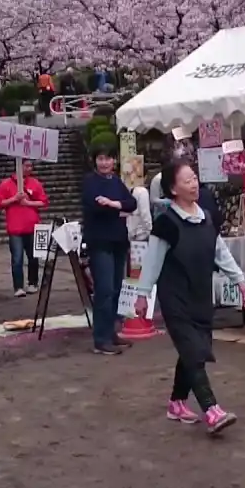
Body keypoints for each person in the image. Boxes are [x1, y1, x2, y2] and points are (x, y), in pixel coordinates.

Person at [136, 161, 245, 435]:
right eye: (186, 180)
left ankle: (176, 402)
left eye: (194, 178)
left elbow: (219, 251)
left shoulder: (207, 217)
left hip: (201, 296)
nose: (194, 183)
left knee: (193, 351)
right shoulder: (166, 224)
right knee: (193, 351)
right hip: (175, 298)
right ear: (173, 190)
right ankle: (211, 410)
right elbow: (151, 262)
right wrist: (142, 295)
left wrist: (239, 279)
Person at [81, 144, 138, 355]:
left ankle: (112, 331)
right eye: (101, 159)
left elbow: (131, 203)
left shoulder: (116, 182)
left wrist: (114, 204)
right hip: (100, 242)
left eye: (108, 159)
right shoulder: (90, 182)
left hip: (118, 241)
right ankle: (101, 338)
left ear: (114, 161)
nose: (105, 163)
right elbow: (95, 204)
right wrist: (117, 205)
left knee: (115, 289)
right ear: (95, 161)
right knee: (104, 290)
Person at [0, 160, 49, 297]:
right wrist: (14, 199)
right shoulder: (6, 184)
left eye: (31, 166)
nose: (29, 168)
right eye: (26, 165)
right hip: (15, 228)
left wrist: (28, 203)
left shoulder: (35, 183)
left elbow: (43, 202)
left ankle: (33, 283)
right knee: (17, 258)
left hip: (32, 226)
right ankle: (18, 287)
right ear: (19, 166)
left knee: (33, 257)